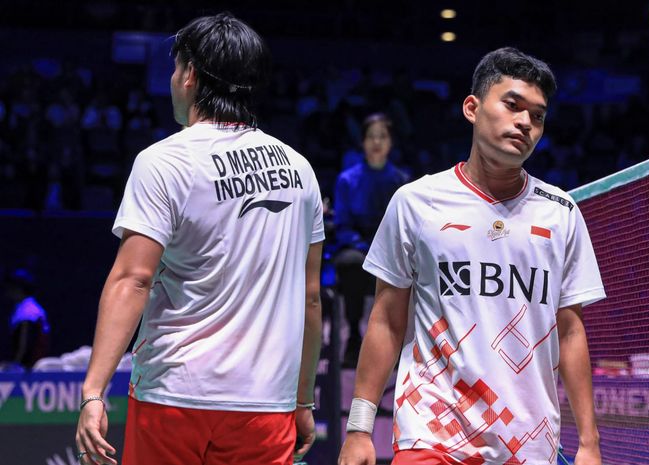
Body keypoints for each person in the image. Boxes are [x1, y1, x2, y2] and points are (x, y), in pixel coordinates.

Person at [75, 13, 324, 465]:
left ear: (189, 75)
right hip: (265, 404)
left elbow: (133, 279)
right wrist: (302, 400)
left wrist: (94, 391)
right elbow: (309, 298)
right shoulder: (299, 170)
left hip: (175, 395)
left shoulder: (164, 162)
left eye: (175, 68)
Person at [338, 47, 605, 465]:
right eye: (512, 105)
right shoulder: (416, 202)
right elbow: (387, 319)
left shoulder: (561, 213)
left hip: (528, 443)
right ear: (472, 108)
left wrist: (589, 443)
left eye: (537, 116)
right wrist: (358, 428)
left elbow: (570, 332)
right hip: (431, 432)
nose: (525, 123)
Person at [333, 113, 409, 367]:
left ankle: (400, 340)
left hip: (391, 249)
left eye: (382, 136)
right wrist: (365, 247)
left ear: (391, 142)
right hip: (358, 248)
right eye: (371, 137)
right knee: (351, 264)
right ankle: (354, 335)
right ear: (363, 142)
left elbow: (404, 226)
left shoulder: (401, 180)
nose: (376, 142)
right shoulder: (347, 180)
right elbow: (342, 224)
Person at [4, 268, 50, 369]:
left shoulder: (28, 311)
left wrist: (15, 366)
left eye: (10, 288)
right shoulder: (24, 308)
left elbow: (24, 346)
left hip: (30, 371)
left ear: (18, 289)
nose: (8, 292)